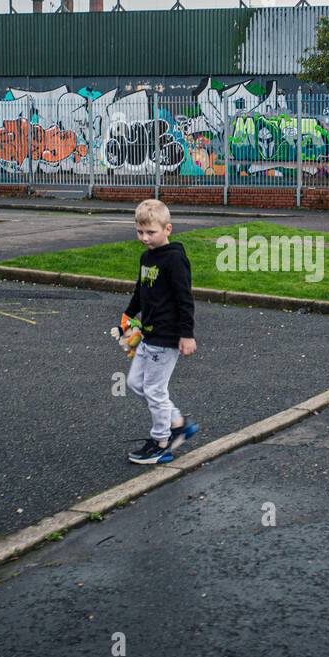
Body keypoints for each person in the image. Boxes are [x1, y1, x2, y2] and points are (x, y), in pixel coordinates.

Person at [123, 199, 198, 464]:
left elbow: (184, 299)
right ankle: (178, 422)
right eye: (139, 232)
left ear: (168, 229)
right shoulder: (146, 257)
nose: (144, 238)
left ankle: (161, 442)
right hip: (148, 334)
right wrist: (128, 314)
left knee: (154, 391)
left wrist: (186, 334)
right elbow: (141, 290)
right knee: (134, 383)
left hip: (167, 337)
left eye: (150, 232)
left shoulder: (175, 259)